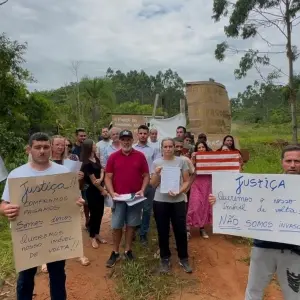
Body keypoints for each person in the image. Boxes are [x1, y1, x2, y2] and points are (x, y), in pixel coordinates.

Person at [208, 144, 300, 300]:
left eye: (297, 161)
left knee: (294, 295)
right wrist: (220, 201)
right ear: (282, 162)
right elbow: (245, 203)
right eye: (288, 160)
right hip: (263, 248)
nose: (292, 165)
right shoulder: (265, 185)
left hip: (293, 253)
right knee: (253, 291)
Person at [0, 132, 85, 300]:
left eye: (46, 147)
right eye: (37, 147)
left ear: (51, 149)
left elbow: (74, 199)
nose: (42, 151)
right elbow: (4, 203)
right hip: (28, 237)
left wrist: (78, 202)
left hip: (57, 235)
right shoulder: (17, 174)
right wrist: (5, 209)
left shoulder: (63, 172)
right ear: (29, 150)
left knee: (58, 276)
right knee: (25, 279)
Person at [105, 130, 150, 267]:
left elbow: (146, 175)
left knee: (131, 225)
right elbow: (108, 177)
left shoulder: (140, 156)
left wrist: (142, 190)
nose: (126, 142)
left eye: (128, 139)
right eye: (123, 139)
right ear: (119, 140)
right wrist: (112, 193)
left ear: (132, 140)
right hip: (119, 198)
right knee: (117, 225)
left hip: (134, 198)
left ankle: (128, 250)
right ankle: (115, 252)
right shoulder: (113, 157)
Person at [150, 138, 192, 274]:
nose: (168, 149)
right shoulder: (156, 162)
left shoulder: (181, 161)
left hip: (178, 200)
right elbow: (153, 184)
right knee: (162, 231)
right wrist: (157, 173)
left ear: (174, 147)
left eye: (170, 146)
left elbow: (186, 181)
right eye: (165, 147)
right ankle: (165, 258)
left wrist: (179, 191)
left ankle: (183, 258)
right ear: (161, 148)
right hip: (160, 201)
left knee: (180, 230)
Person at [81, 139, 108, 249]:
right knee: (94, 213)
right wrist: (102, 190)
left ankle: (97, 233)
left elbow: (102, 170)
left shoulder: (95, 158)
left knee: (100, 212)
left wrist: (101, 178)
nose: (95, 145)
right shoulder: (86, 162)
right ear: (89, 147)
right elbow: (93, 181)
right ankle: (92, 236)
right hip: (92, 191)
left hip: (98, 188)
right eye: (93, 144)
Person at [133, 125, 157, 245]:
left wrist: (153, 182)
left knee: (147, 210)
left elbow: (156, 165)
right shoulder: (132, 148)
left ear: (148, 135)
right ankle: (133, 230)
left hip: (149, 183)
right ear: (137, 135)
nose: (143, 135)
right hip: (134, 183)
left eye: (145, 133)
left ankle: (143, 234)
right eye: (140, 133)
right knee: (134, 208)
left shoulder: (153, 149)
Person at [187, 141, 212, 239]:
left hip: (207, 183)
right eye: (199, 148)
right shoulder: (193, 158)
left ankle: (202, 228)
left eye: (203, 147)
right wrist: (193, 160)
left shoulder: (211, 158)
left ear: (206, 148)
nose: (201, 149)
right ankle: (188, 228)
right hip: (196, 182)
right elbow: (190, 170)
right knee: (194, 205)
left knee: (204, 207)